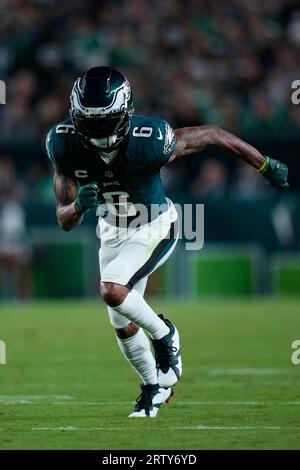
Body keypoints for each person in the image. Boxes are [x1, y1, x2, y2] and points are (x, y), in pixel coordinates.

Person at [46, 66, 289, 418]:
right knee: (121, 322)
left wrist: (263, 163)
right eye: (91, 123)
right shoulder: (63, 144)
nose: (99, 132)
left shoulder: (150, 139)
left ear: (125, 114)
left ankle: (164, 334)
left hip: (154, 225)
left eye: (105, 122)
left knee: (112, 289)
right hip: (112, 230)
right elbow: (64, 220)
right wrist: (79, 205)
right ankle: (153, 390)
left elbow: (212, 134)